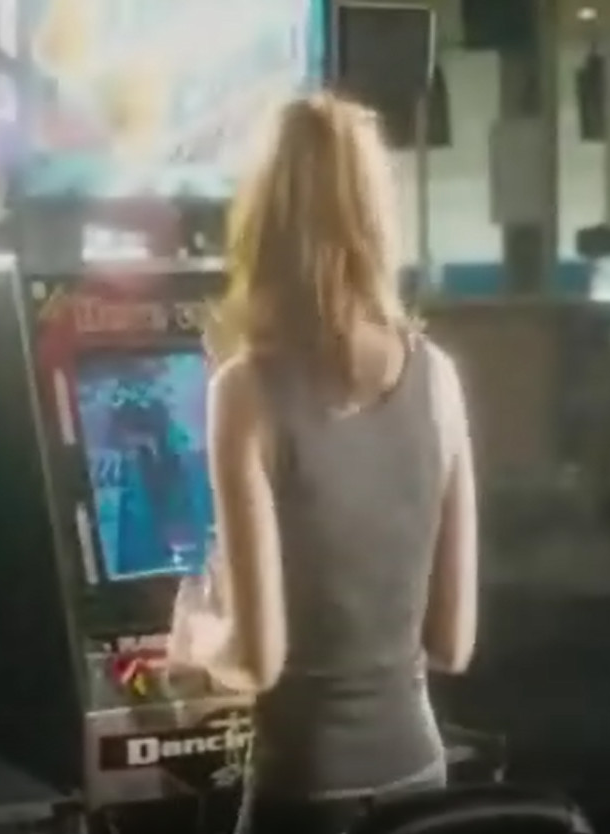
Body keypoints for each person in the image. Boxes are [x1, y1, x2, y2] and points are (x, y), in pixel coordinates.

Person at [176, 92, 478, 833]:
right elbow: (452, 642)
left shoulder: (245, 392)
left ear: (264, 220)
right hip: (420, 784)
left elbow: (258, 661)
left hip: (306, 796)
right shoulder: (438, 376)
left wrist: (198, 637)